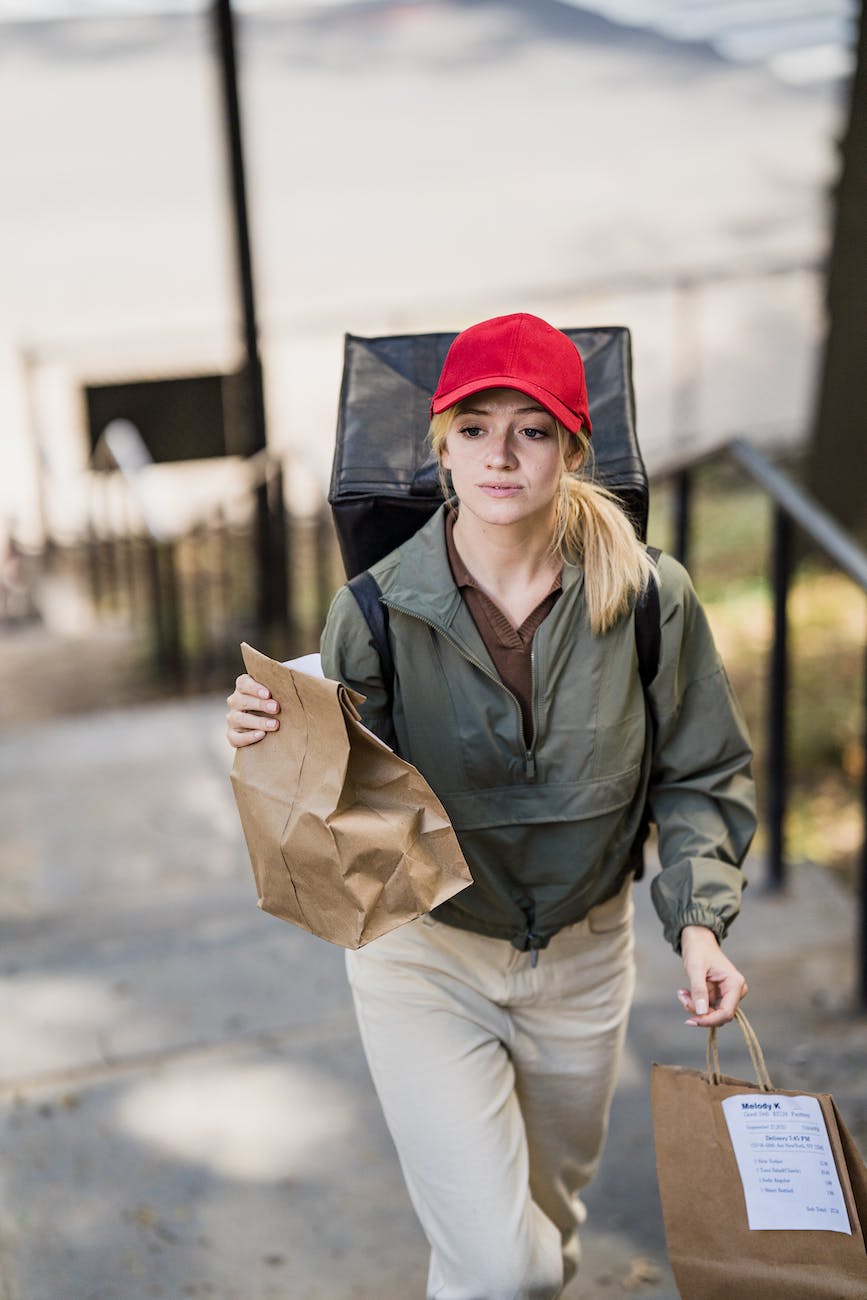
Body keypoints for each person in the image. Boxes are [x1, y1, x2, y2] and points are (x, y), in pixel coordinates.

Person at [226, 312, 756, 1299]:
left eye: (533, 427)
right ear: (440, 448)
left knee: (545, 1246)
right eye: (475, 428)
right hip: (425, 959)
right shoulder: (375, 609)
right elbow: (336, 792)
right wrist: (274, 730)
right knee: (499, 1266)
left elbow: (700, 771)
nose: (501, 454)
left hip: (585, 959)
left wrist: (700, 924)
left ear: (573, 447)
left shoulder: (649, 597)